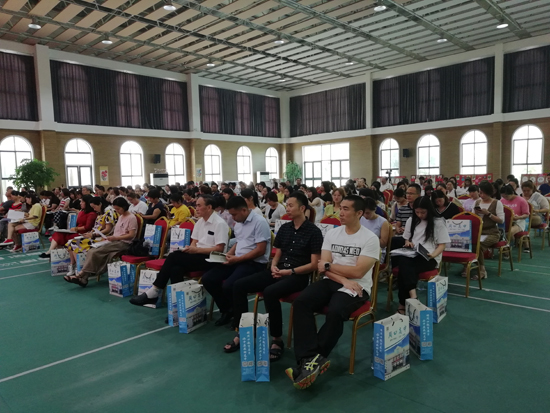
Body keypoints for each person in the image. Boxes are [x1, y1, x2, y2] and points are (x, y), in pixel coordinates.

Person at [286, 195, 379, 390]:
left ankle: (310, 361)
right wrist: (342, 278)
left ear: (359, 213)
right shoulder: (332, 233)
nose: (340, 212)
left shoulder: (370, 238)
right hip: (334, 281)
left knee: (336, 311)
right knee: (301, 302)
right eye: (340, 208)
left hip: (358, 287)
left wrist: (331, 267)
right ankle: (310, 360)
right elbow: (322, 267)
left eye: (345, 209)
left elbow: (358, 272)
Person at [223, 191, 323, 359]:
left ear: (302, 208)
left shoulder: (314, 232)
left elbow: (314, 265)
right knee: (238, 285)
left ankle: (277, 339)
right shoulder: (284, 228)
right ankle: (243, 331)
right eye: (287, 205)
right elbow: (278, 253)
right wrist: (274, 266)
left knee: (270, 292)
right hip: (278, 271)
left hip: (297, 275)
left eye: (291, 206)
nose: (287, 209)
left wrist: (290, 271)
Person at [130, 195, 229, 306]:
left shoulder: (219, 223)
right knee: (175, 269)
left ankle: (155, 290)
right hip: (198, 255)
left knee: (173, 256)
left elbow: (219, 249)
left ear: (209, 207)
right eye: (196, 205)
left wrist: (196, 250)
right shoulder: (200, 222)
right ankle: (178, 305)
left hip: (212, 258)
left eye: (199, 206)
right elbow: (194, 241)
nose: (196, 208)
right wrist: (190, 249)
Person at [201, 196, 271, 326]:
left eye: (234, 214)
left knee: (230, 285)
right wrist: (227, 255)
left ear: (244, 210)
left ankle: (240, 319)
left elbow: (260, 250)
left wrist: (237, 259)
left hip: (254, 263)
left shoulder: (259, 222)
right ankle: (227, 310)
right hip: (237, 260)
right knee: (208, 279)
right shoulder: (239, 223)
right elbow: (239, 242)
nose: (232, 218)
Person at [392, 196, 450, 314]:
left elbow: (442, 245)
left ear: (429, 210)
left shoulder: (438, 222)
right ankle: (413, 297)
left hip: (429, 257)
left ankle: (403, 304)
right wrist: (408, 243)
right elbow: (407, 238)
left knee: (404, 268)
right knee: (404, 262)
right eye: (417, 212)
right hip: (413, 253)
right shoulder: (411, 220)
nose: (420, 215)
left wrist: (432, 255)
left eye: (423, 212)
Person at [64, 198, 137, 287]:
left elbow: (131, 235)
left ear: (124, 207)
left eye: (118, 209)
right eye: (115, 209)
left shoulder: (131, 218)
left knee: (95, 252)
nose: (117, 211)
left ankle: (80, 275)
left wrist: (115, 237)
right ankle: (83, 278)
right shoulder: (121, 216)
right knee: (92, 250)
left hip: (123, 243)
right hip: (114, 240)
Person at [65, 197, 118, 276]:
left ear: (100, 204)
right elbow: (96, 227)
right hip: (95, 235)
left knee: (75, 243)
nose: (94, 209)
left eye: (94, 207)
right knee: (70, 243)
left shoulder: (109, 212)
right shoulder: (101, 213)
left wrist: (93, 234)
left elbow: (108, 229)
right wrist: (90, 233)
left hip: (104, 237)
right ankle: (73, 265)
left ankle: (80, 270)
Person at [39, 195, 97, 259]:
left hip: (83, 233)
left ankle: (54, 253)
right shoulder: (82, 212)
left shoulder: (92, 214)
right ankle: (50, 251)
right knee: (58, 233)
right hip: (75, 230)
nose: (80, 203)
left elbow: (87, 227)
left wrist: (76, 228)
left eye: (82, 202)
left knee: (63, 237)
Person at [471, 181, 504, 279]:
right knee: (468, 244)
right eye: (480, 193)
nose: (481, 195)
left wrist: (488, 214)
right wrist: (475, 214)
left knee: (478, 245)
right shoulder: (476, 202)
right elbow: (472, 218)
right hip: (478, 232)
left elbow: (501, 220)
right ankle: (467, 266)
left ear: (489, 192)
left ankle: (482, 270)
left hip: (492, 232)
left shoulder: (497, 203)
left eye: (483, 193)